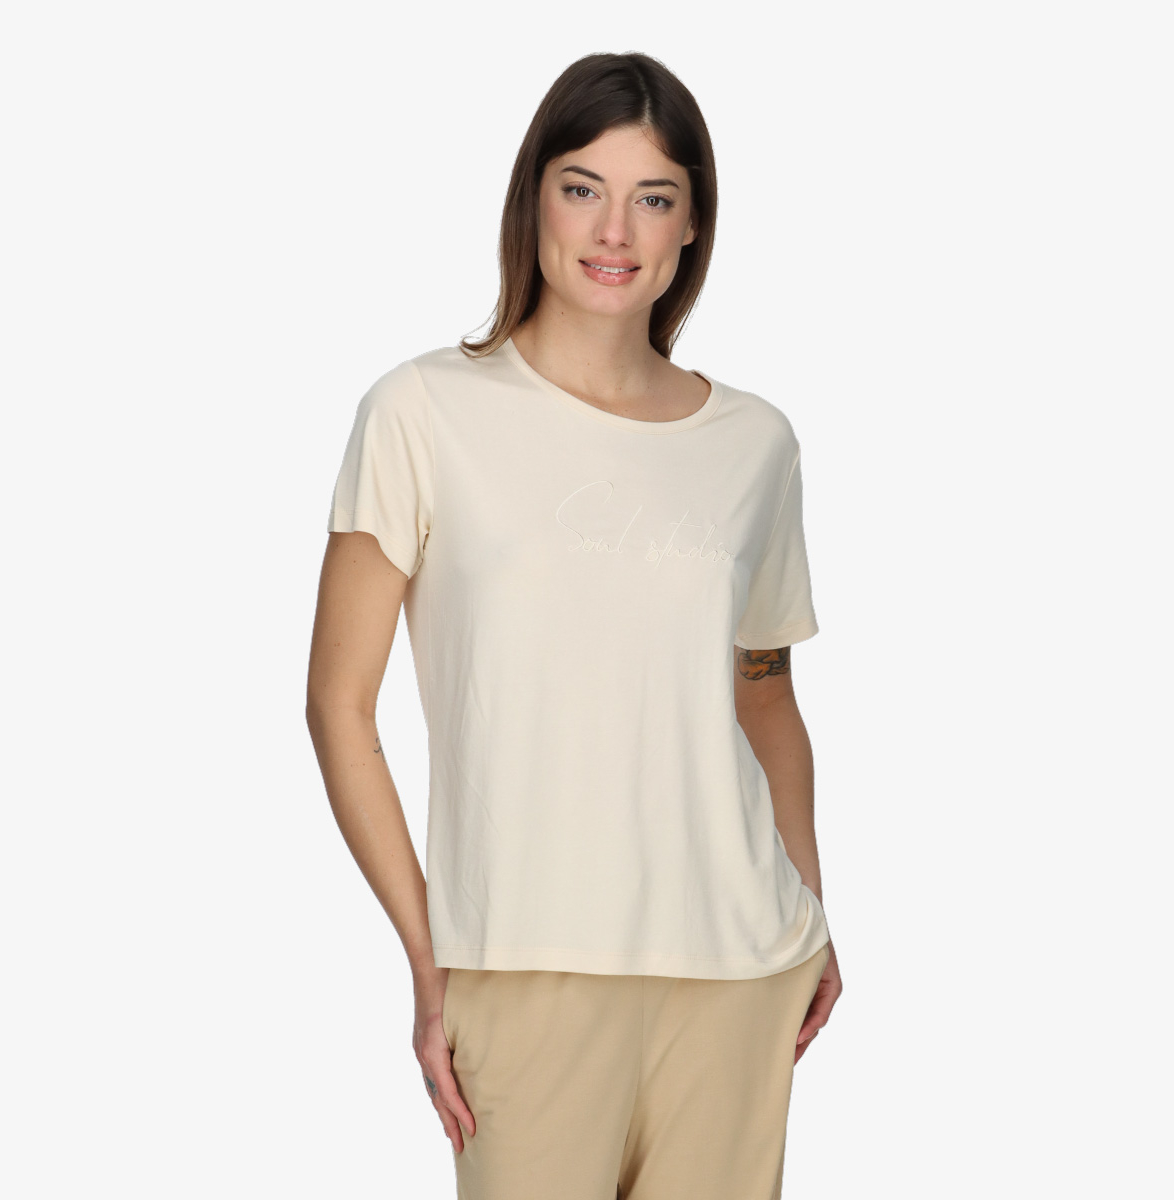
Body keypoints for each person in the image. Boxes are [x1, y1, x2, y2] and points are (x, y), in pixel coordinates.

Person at [306, 50, 842, 1200]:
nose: (614, 230)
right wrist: (428, 955)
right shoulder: (422, 412)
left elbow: (764, 694)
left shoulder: (756, 445)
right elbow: (338, 708)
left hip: (740, 970)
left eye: (653, 197)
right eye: (583, 187)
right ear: (534, 198)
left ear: (692, 226)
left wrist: (811, 902)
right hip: (521, 966)